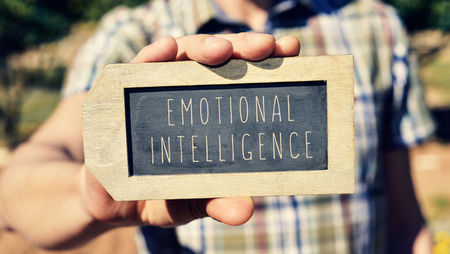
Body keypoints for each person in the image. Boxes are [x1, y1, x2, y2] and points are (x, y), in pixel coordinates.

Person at [0, 0, 435, 253]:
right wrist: (86, 195)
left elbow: (404, 220)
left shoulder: (376, 27)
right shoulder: (136, 35)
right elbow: (16, 185)